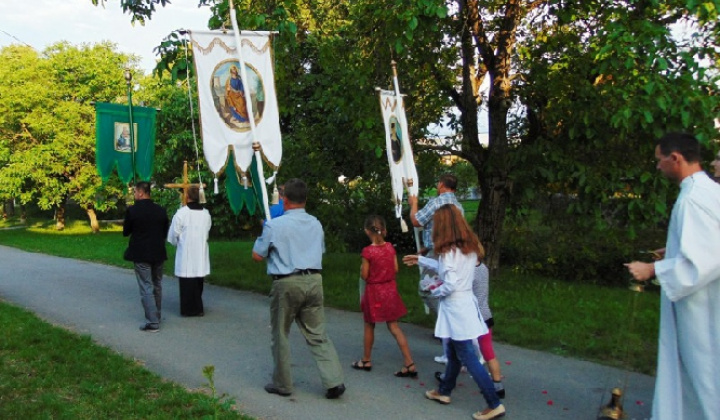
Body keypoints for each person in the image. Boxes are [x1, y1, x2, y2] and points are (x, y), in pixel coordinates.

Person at [625, 132, 720, 420]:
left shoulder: (693, 198)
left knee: (701, 374)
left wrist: (651, 269)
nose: (657, 166)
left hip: (702, 308)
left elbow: (705, 261)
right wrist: (675, 248)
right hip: (704, 302)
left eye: (659, 160)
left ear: (675, 159)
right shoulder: (708, 190)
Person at [403, 204, 505, 420]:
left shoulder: (449, 251)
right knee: (455, 353)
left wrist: (434, 289)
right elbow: (450, 270)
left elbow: (449, 282)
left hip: (456, 307)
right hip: (466, 304)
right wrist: (421, 259)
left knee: (466, 355)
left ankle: (493, 403)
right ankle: (444, 391)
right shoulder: (467, 248)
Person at [252, 178, 346, 399]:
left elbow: (257, 255)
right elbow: (318, 250)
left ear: (284, 199)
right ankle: (334, 380)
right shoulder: (315, 223)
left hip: (286, 282)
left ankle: (282, 383)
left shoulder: (275, 225)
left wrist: (263, 232)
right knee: (317, 332)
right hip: (314, 279)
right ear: (305, 199)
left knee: (281, 333)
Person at [351, 215, 416, 377]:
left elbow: (365, 275)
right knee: (394, 326)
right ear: (384, 230)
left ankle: (366, 359)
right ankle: (409, 362)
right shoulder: (390, 248)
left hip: (374, 292)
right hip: (390, 290)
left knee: (369, 324)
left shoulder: (368, 252)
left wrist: (363, 270)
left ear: (367, 231)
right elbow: (395, 269)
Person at [409, 173, 464, 363]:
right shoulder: (459, 206)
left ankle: (447, 327)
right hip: (454, 252)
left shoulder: (438, 202)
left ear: (441, 185)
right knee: (445, 289)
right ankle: (449, 328)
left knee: (427, 289)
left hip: (439, 253)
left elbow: (417, 220)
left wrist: (413, 203)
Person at [123, 181, 169, 332]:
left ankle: (152, 322)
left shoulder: (133, 211)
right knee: (157, 284)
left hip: (141, 253)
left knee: (146, 286)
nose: (134, 194)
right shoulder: (161, 211)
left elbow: (126, 232)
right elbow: (164, 231)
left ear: (141, 192)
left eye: (135, 192)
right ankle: (157, 315)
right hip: (158, 252)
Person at [167, 185, 212, 317]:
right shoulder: (206, 214)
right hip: (200, 251)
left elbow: (173, 234)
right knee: (199, 280)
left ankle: (188, 309)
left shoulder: (181, 213)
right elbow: (207, 230)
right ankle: (198, 308)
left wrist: (177, 243)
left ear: (187, 197)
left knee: (187, 282)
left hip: (186, 252)